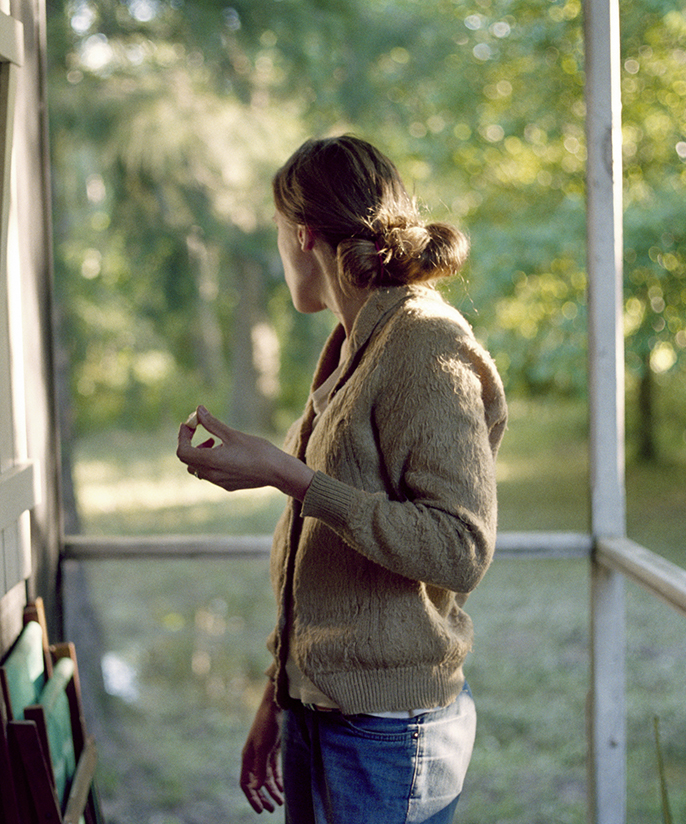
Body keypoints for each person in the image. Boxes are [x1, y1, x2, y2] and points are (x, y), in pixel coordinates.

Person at [175, 134, 507, 823]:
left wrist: (290, 476)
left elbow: (457, 549)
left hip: (386, 733)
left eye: (274, 232)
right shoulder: (351, 345)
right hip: (320, 712)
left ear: (301, 235)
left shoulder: (425, 343)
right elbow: (322, 541)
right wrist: (279, 695)